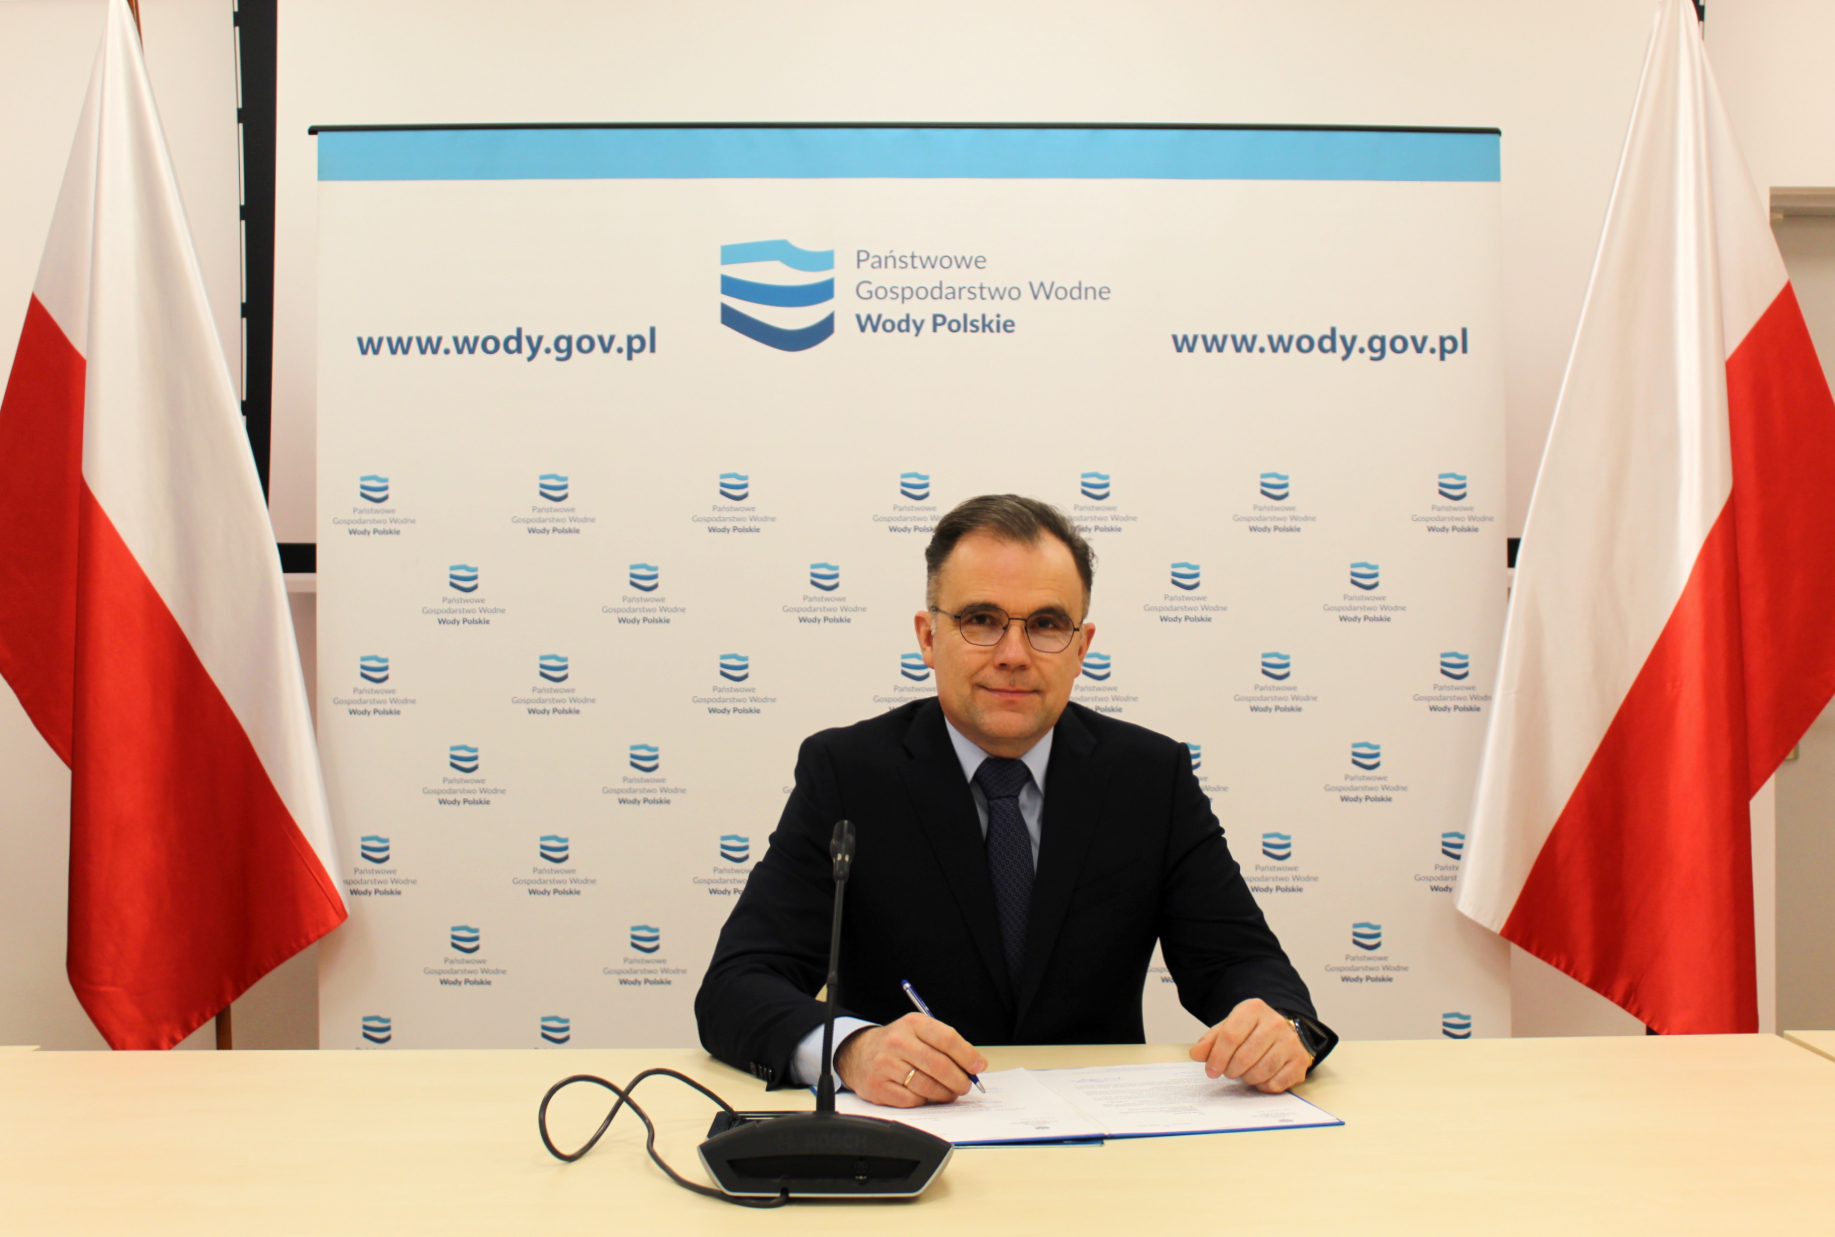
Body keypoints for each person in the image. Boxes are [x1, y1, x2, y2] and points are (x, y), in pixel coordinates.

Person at [695, 494, 1334, 1107]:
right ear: (927, 638)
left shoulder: (1150, 777)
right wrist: (851, 1050)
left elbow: (1242, 962)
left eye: (1046, 625)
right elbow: (737, 985)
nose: (1013, 655)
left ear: (1081, 648)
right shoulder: (848, 773)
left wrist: (1280, 1029)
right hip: (911, 1135)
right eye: (981, 620)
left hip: (1104, 1145)